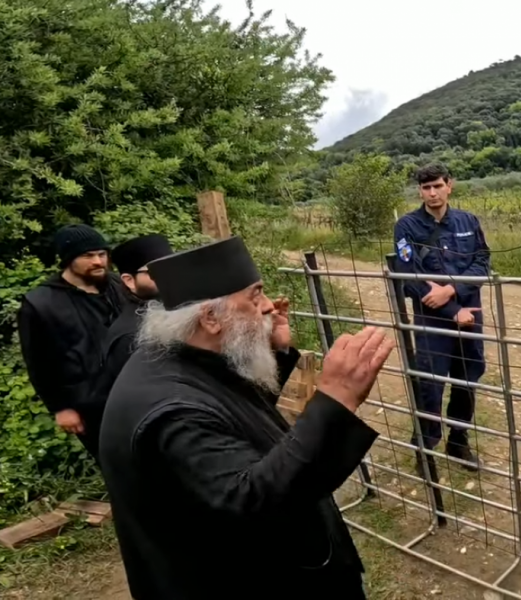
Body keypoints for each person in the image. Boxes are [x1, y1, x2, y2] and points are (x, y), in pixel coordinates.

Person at [99, 236, 394, 599]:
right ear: (210, 317)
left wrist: (279, 353)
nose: (269, 306)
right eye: (255, 296)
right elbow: (254, 503)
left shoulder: (182, 357)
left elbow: (237, 420)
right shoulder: (172, 414)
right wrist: (337, 400)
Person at [393, 163, 490, 473]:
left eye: (437, 186)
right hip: (431, 319)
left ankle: (458, 441)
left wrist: (451, 289)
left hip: (469, 314)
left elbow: (482, 263)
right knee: (430, 384)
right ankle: (426, 447)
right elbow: (408, 276)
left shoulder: (468, 221)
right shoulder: (407, 227)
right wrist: (450, 308)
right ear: (419, 191)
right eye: (426, 188)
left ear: (450, 185)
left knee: (467, 379)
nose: (432, 193)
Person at [18, 224, 126, 460]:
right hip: (92, 404)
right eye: (87, 256)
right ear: (67, 259)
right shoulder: (41, 304)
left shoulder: (117, 286)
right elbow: (39, 362)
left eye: (102, 254)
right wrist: (61, 407)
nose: (98, 262)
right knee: (118, 466)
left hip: (135, 389)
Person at [90, 234, 174, 420]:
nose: (167, 276)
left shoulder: (173, 307)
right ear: (129, 280)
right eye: (155, 271)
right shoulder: (130, 336)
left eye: (170, 267)